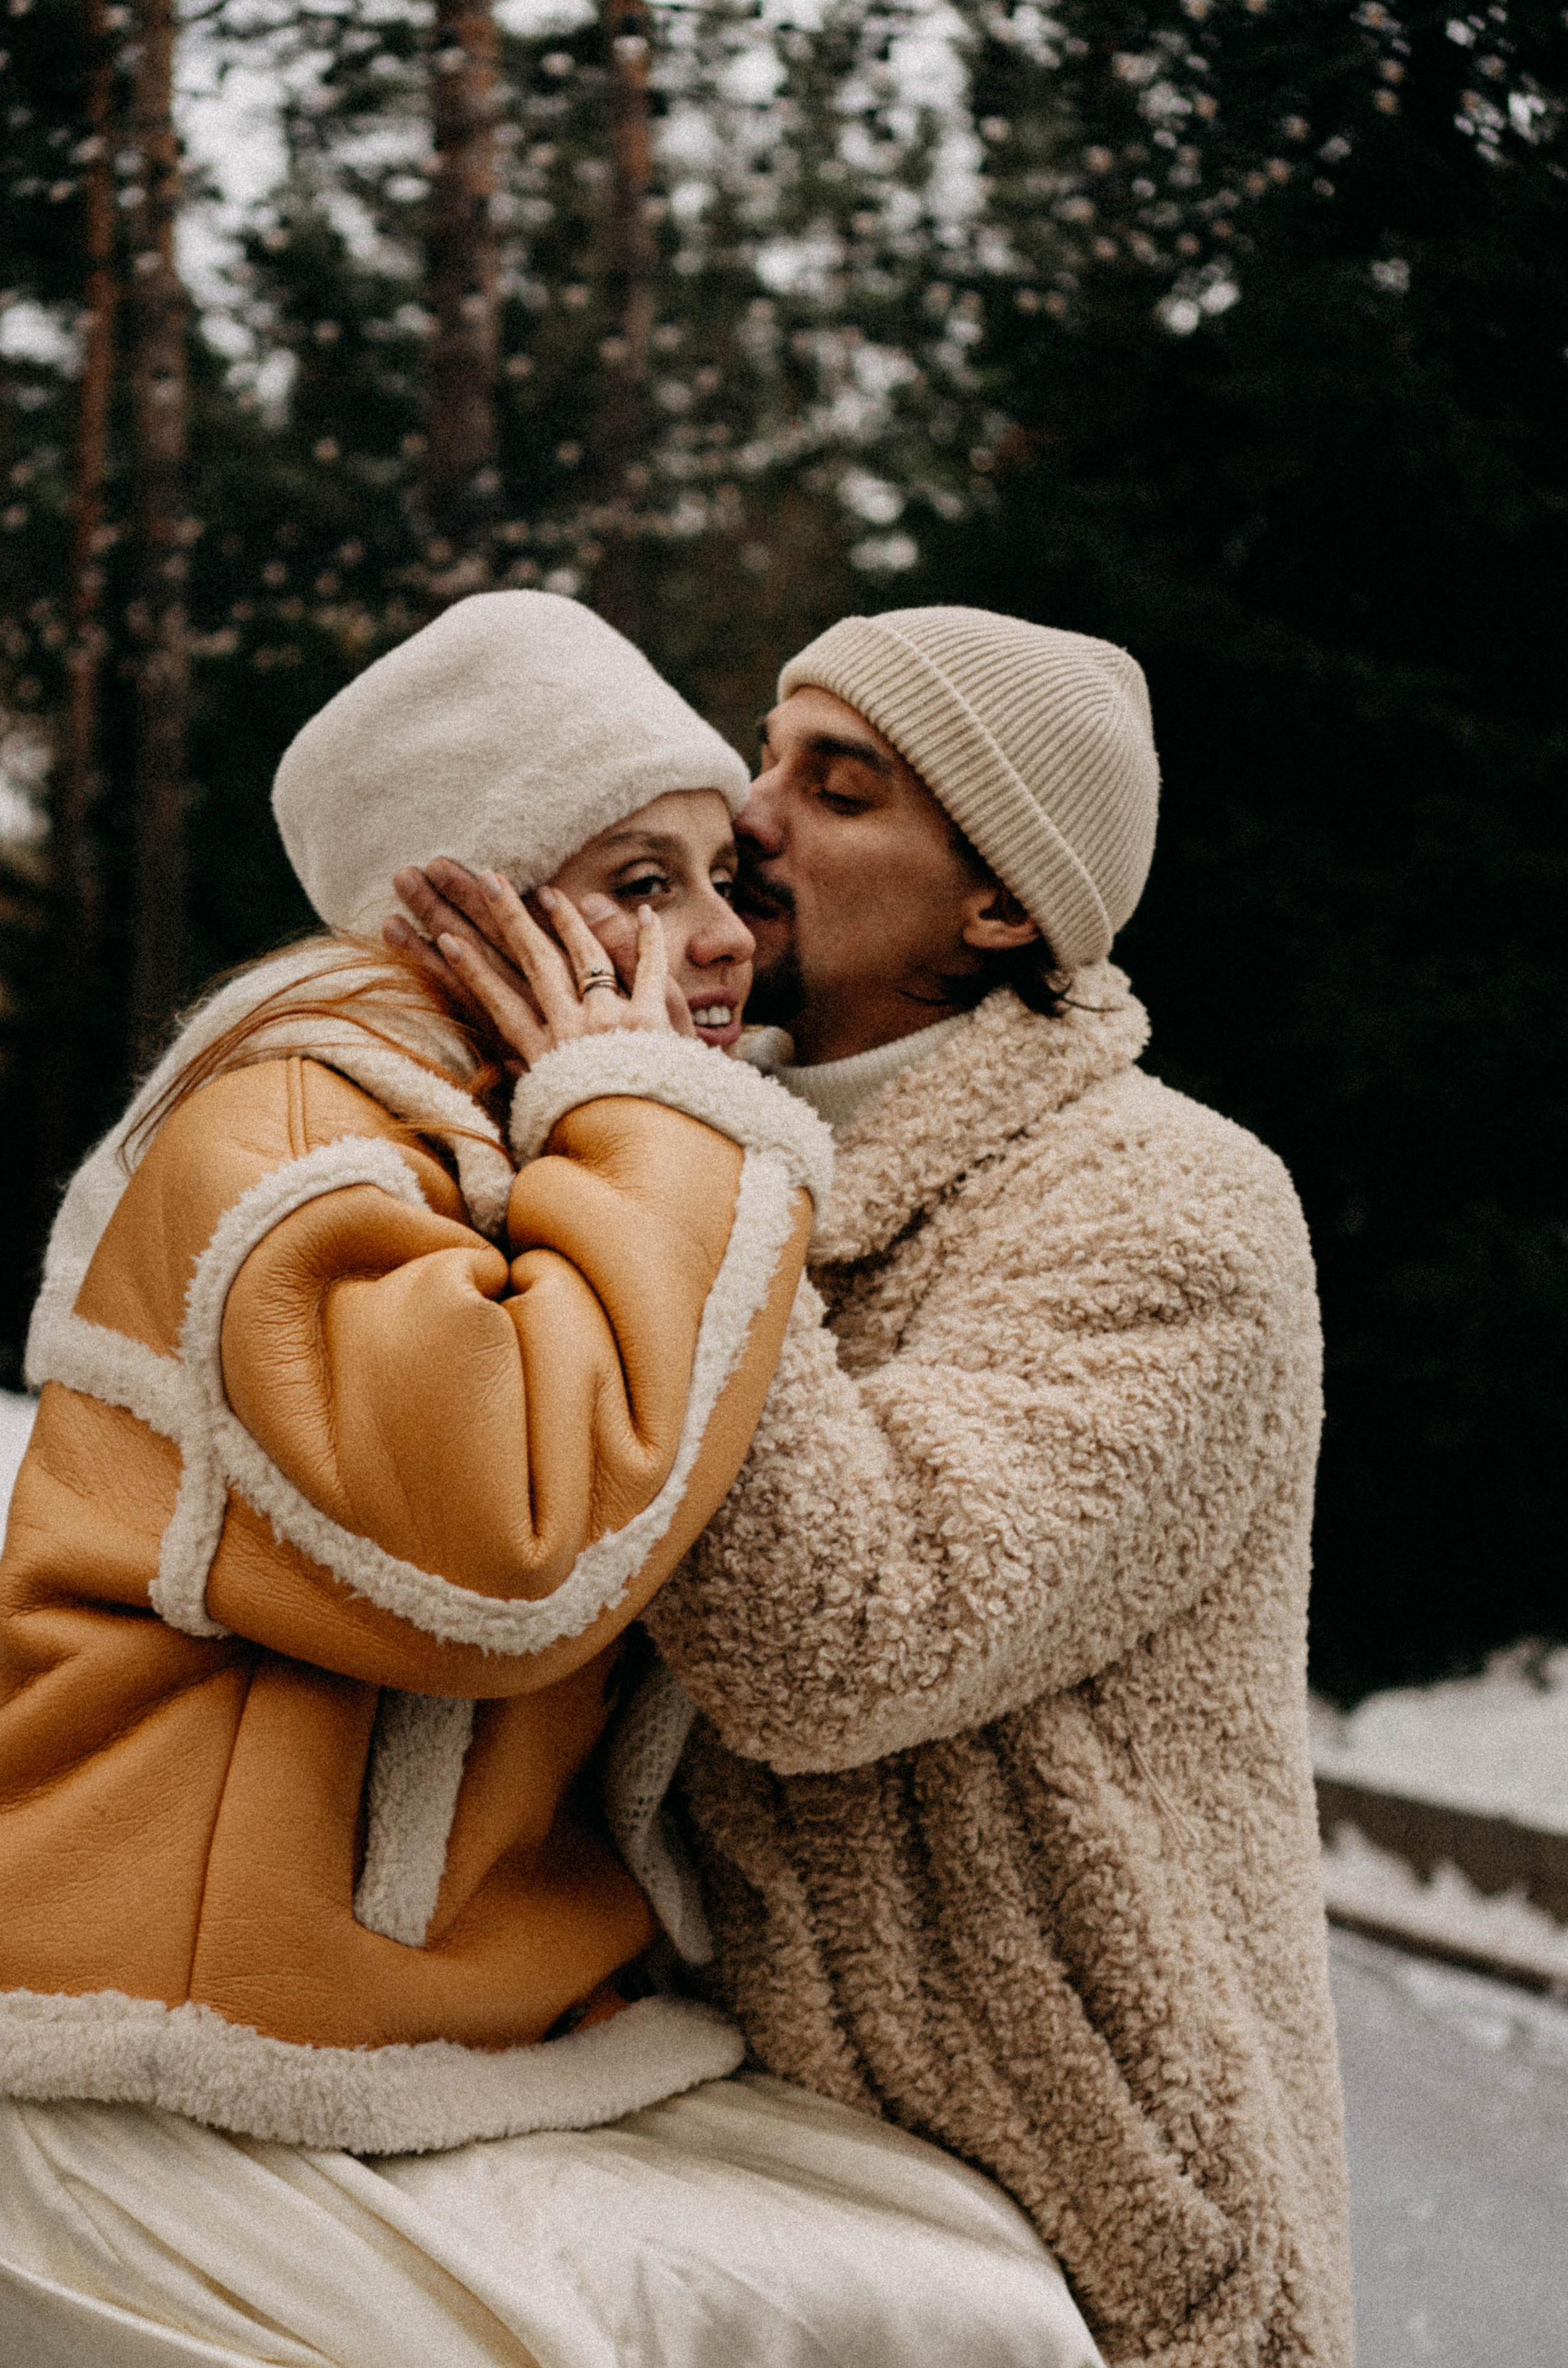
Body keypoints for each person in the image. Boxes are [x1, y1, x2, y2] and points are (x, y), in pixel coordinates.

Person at [0, 592, 1104, 2367]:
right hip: (175, 2031)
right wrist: (658, 1117)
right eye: (636, 883)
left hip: (430, 2019)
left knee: (975, 2287)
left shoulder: (511, 1123)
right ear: (458, 907)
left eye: (721, 882)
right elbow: (510, 1541)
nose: (722, 939)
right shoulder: (296, 1125)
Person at [405, 606, 1355, 2367]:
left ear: (1001, 905)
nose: (750, 814)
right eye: (764, 755)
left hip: (1078, 2209)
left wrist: (657, 1143)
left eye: (836, 789)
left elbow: (833, 1644)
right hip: (714, 2110)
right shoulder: (677, 1115)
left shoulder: (1172, 1210)